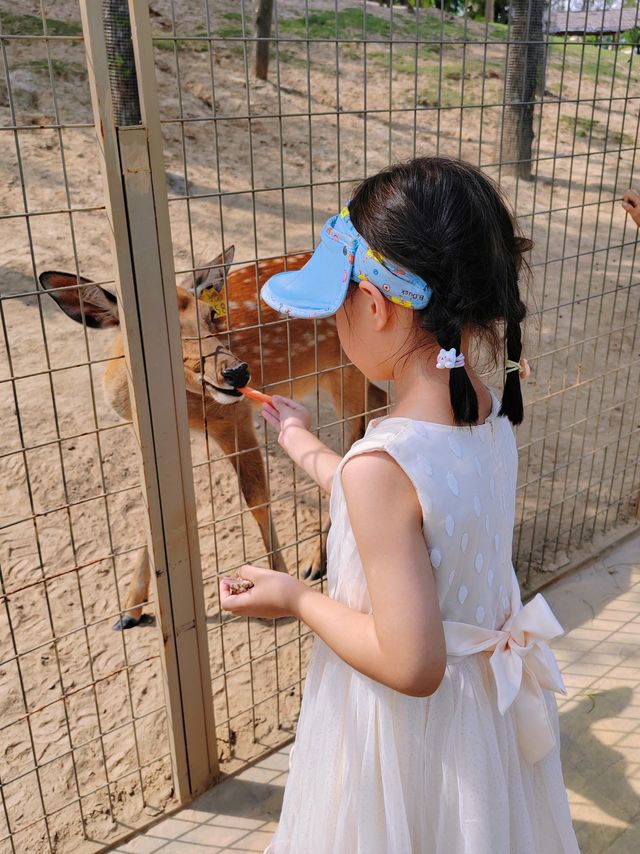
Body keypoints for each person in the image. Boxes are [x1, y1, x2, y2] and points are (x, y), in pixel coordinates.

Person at [220, 157, 579, 853]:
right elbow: (414, 511)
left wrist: (297, 598)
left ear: (377, 306)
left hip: (412, 741)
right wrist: (301, 440)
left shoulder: (383, 467)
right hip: (485, 726)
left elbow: (412, 665)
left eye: (339, 305)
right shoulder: (489, 408)